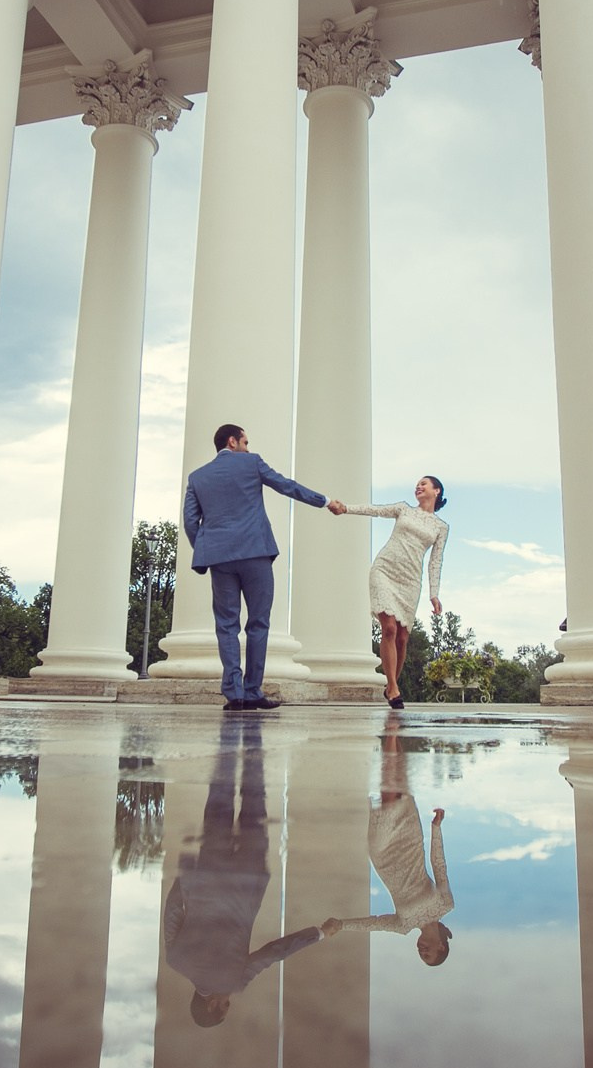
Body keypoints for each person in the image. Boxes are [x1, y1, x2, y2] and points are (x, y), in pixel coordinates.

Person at [163, 716, 324, 1026]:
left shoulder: (234, 981)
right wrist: (187, 878)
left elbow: (273, 953)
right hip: (208, 873)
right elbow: (173, 910)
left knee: (254, 802)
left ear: (212, 1007)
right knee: (219, 803)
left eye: (224, 1007)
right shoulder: (176, 961)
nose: (228, 1003)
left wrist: (317, 933)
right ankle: (229, 736)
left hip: (246, 881)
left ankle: (254, 739)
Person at [183, 422, 342, 710]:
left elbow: (190, 522)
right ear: (232, 442)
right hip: (255, 552)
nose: (248, 447)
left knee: (226, 625)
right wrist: (325, 501)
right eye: (245, 442)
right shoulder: (252, 463)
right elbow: (287, 486)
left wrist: (209, 548)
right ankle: (253, 691)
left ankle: (235, 694)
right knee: (258, 623)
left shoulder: (197, 477)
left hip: (220, 560)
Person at [325, 714, 454, 965]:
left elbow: (374, 924)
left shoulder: (403, 925)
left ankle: (392, 733)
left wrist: (341, 925)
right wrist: (436, 828)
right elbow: (439, 865)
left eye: (420, 955)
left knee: (389, 792)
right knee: (402, 790)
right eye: (429, 954)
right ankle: (394, 733)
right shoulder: (446, 904)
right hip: (412, 842)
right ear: (441, 946)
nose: (422, 951)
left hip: (384, 854)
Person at [329, 475, 448, 709]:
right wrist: (346, 508)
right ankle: (393, 688)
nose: (419, 486)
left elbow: (435, 561)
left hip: (410, 581)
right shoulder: (403, 509)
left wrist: (434, 593)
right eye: (417, 484)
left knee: (403, 638)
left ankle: (391, 685)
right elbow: (376, 510)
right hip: (385, 570)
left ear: (436, 491)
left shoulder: (441, 527)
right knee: (390, 628)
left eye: (424, 483)